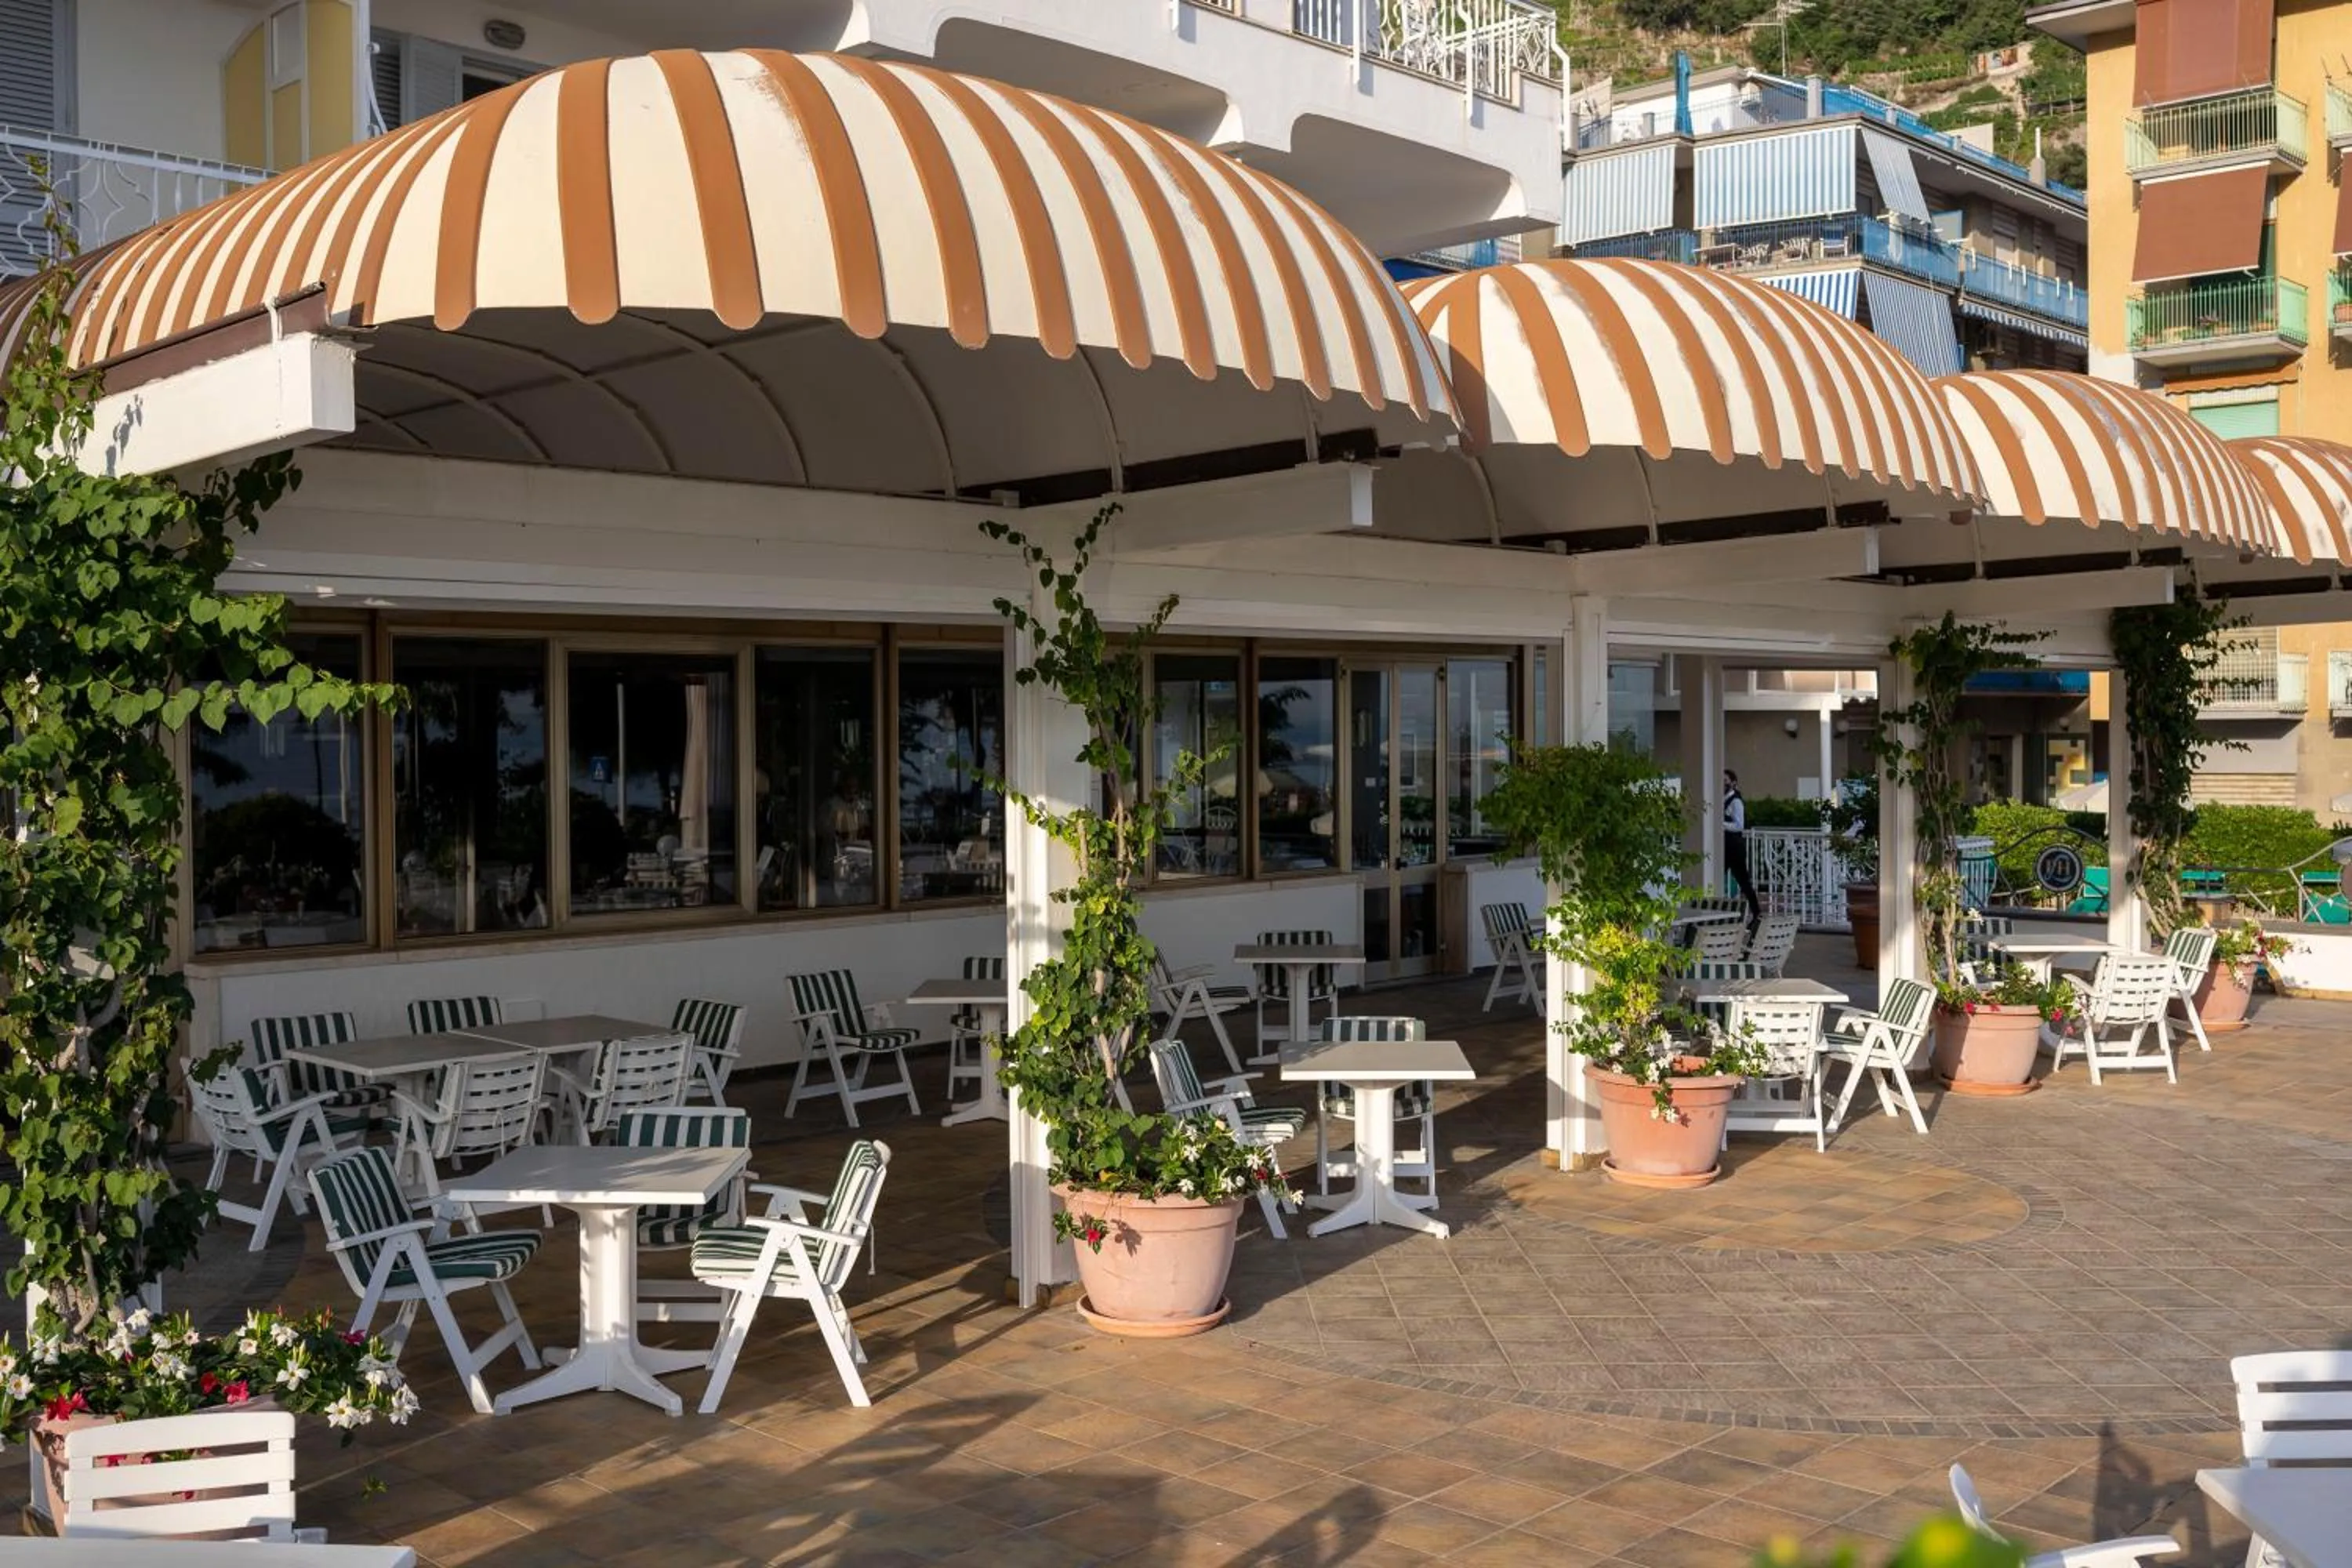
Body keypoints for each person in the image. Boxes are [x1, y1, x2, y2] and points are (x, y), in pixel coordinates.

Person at [1723, 769, 1759, 926]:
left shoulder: (1736, 801)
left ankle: (1756, 913)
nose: (1722, 784)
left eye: (1725, 781)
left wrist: (1720, 824)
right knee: (1716, 877)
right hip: (1724, 846)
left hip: (1734, 846)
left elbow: (1739, 826)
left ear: (1733, 783)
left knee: (1743, 881)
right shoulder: (1722, 799)